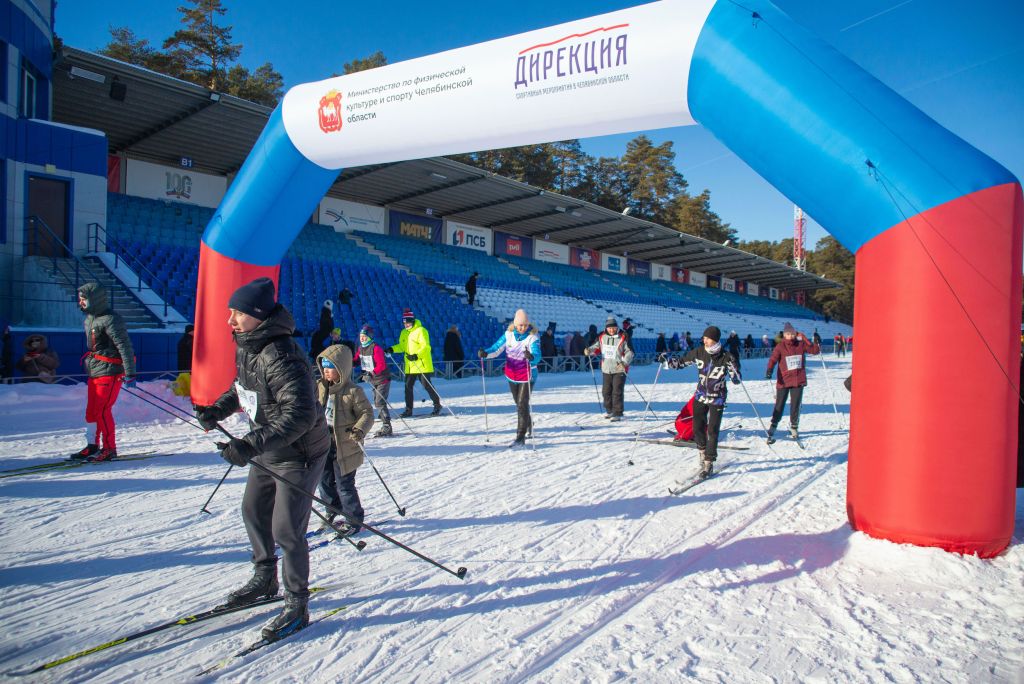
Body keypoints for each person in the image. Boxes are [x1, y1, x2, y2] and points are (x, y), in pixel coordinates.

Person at [194, 277, 331, 642]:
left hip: (299, 452)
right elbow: (242, 387)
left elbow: (300, 415)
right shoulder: (248, 345)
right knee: (253, 511)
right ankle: (265, 577)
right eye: (230, 312)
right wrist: (217, 410)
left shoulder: (282, 355)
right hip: (270, 446)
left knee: (286, 529)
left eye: (238, 313)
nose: (230, 320)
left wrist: (249, 444)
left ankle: (297, 603)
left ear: (258, 315)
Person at [666, 325, 741, 477]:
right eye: (704, 338)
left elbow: (737, 380)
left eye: (707, 338)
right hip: (700, 396)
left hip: (717, 398)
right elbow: (681, 362)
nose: (704, 340)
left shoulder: (726, 356)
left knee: (712, 430)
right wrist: (667, 361)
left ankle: (709, 462)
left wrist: (734, 367)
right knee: (697, 427)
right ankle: (702, 451)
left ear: (715, 340)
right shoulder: (699, 352)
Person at [73, 282, 136, 461]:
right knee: (91, 411)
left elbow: (124, 346)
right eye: (80, 299)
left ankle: (109, 448)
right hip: (95, 370)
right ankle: (92, 446)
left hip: (110, 371)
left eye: (84, 299)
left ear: (95, 299)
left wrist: (130, 372)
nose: (81, 302)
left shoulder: (111, 319)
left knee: (102, 410)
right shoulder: (90, 319)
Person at [315, 344, 373, 535]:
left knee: (344, 485)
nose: (326, 371)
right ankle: (332, 509)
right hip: (323, 442)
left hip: (346, 445)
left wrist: (359, 429)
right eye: (324, 367)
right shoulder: (319, 387)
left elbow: (367, 413)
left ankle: (353, 519)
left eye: (330, 367)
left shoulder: (353, 391)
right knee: (324, 480)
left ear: (342, 368)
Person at [479, 309, 541, 446]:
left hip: (528, 376)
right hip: (512, 375)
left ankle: (520, 436)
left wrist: (531, 357)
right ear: (515, 324)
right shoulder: (508, 335)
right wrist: (486, 353)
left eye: (525, 325)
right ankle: (529, 423)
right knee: (519, 404)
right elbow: (496, 348)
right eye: (520, 325)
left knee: (522, 404)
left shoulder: (532, 337)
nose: (523, 328)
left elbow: (537, 354)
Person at [765, 322, 821, 442]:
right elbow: (773, 359)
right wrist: (769, 370)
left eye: (792, 334)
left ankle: (794, 427)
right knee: (779, 404)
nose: (790, 336)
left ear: (795, 334)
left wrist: (814, 341)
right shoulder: (780, 346)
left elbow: (814, 351)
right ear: (784, 335)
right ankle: (773, 425)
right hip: (784, 381)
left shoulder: (800, 344)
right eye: (788, 334)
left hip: (798, 380)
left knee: (795, 405)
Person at [390, 308, 441, 417]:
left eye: (407, 322)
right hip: (410, 365)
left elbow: (426, 347)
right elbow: (402, 347)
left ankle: (437, 405)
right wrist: (392, 349)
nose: (406, 325)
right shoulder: (404, 333)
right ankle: (408, 409)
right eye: (404, 323)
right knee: (408, 386)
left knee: (426, 385)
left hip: (422, 364)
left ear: (412, 321)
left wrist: (416, 355)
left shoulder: (421, 330)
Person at [584, 316, 634, 421]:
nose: (612, 330)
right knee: (606, 392)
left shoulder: (623, 336)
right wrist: (589, 350)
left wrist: (624, 363)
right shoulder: (602, 336)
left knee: (617, 391)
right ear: (606, 328)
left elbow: (630, 352)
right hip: (606, 369)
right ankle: (610, 411)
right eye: (609, 328)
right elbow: (596, 347)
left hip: (619, 369)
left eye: (614, 328)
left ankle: (617, 413)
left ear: (617, 327)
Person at [357, 325, 392, 437]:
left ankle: (387, 426)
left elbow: (381, 365)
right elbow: (357, 360)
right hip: (373, 380)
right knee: (376, 401)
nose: (362, 339)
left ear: (370, 337)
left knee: (379, 402)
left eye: (364, 337)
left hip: (382, 379)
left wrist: (370, 373)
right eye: (361, 336)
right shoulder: (361, 348)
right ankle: (383, 417)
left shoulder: (376, 348)